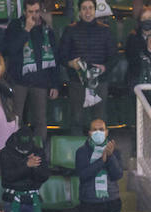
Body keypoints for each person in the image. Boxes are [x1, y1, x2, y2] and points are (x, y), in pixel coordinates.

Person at [4, 0, 59, 147]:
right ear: (24, 12)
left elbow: (55, 57)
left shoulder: (47, 29)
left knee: (40, 120)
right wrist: (26, 30)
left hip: (40, 81)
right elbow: (10, 50)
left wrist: (54, 83)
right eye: (30, 12)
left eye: (36, 12)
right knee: (16, 118)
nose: (34, 15)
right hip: (19, 80)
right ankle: (14, 149)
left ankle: (38, 152)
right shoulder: (15, 26)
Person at [57, 0, 114, 131]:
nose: (87, 12)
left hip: (100, 82)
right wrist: (70, 63)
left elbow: (113, 57)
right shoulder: (70, 30)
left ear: (95, 10)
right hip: (77, 82)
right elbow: (61, 55)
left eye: (90, 8)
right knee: (77, 119)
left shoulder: (105, 30)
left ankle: (99, 151)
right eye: (84, 8)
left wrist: (105, 67)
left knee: (99, 120)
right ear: (79, 11)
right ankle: (77, 150)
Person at [76, 119, 122, 212]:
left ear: (107, 132)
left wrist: (110, 156)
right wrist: (102, 160)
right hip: (89, 203)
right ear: (89, 133)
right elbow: (83, 175)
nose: (98, 132)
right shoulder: (82, 152)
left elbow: (117, 175)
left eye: (101, 129)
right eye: (95, 130)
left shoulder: (115, 151)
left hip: (111, 202)